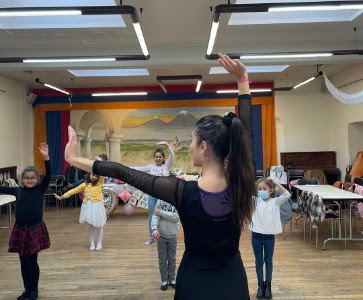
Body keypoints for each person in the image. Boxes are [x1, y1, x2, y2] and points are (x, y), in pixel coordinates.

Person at [64, 53, 255, 300]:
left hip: (194, 282)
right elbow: (246, 134)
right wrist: (243, 80)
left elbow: (124, 172)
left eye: (193, 142)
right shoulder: (242, 181)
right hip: (233, 281)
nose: (191, 146)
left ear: (204, 147)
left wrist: (74, 160)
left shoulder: (182, 191)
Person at [0, 143, 51, 300]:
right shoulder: (17, 190)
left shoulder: (40, 189)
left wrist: (46, 158)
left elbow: (49, 173)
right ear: (22, 180)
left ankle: (34, 290)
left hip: (34, 229)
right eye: (27, 178)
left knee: (32, 261)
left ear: (37, 179)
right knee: (23, 262)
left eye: (33, 178)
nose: (30, 180)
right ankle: (27, 290)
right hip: (20, 230)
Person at [250, 177, 290, 299]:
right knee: (258, 261)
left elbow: (287, 194)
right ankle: (260, 285)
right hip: (256, 236)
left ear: (271, 191)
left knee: (268, 261)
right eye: (259, 189)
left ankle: (268, 285)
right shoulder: (254, 200)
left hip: (269, 237)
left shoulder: (275, 202)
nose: (261, 191)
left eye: (264, 189)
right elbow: (243, 191)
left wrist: (274, 182)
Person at [132, 142, 175, 245]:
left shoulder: (166, 166)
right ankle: (151, 237)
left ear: (163, 158)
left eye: (160, 157)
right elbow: (138, 169)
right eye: (156, 157)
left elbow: (172, 155)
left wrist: (166, 145)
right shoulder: (150, 167)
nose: (158, 158)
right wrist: (122, 167)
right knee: (152, 216)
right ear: (154, 158)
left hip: (164, 195)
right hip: (152, 195)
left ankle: (164, 236)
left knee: (163, 215)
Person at [54, 170, 107, 251]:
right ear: (89, 174)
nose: (94, 177)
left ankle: (99, 243)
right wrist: (62, 197)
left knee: (99, 226)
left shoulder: (99, 183)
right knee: (91, 226)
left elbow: (102, 174)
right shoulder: (84, 184)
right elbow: (73, 190)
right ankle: (92, 243)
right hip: (88, 206)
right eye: (93, 175)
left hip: (97, 205)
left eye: (96, 176)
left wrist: (99, 163)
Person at [151, 200, 180, 291]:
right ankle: (164, 280)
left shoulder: (177, 200)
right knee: (162, 259)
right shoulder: (160, 200)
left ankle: (172, 279)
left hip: (173, 236)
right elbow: (155, 215)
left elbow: (176, 217)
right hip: (161, 236)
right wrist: (154, 228)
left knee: (172, 259)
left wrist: (161, 212)